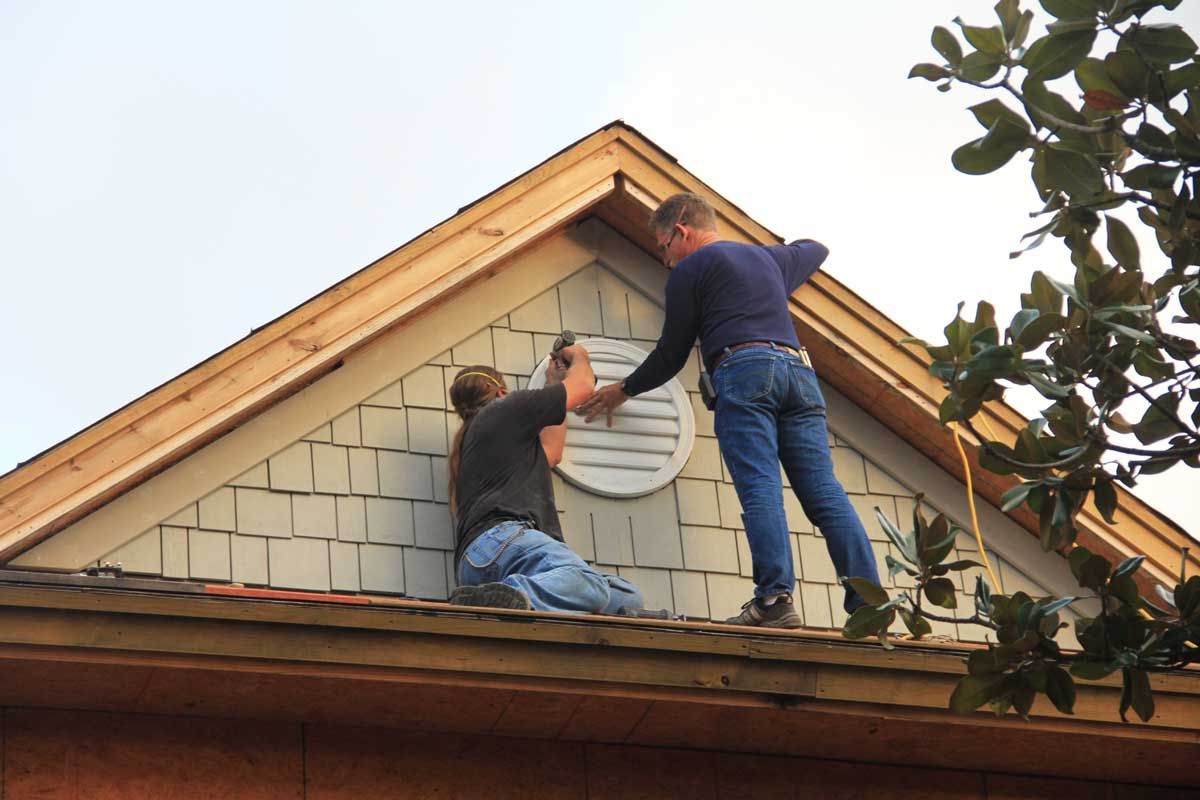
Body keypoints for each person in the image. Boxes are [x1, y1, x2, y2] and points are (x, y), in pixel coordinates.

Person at [575, 192, 880, 628]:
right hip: (799, 373)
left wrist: (622, 390)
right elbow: (815, 249)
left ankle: (774, 601)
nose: (665, 261)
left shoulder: (689, 271)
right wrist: (769, 277)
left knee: (760, 486)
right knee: (824, 492)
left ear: (681, 231)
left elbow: (671, 354)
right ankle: (869, 602)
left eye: (663, 248)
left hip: (744, 371)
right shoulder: (768, 262)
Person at [446, 345, 645, 615]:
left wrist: (554, 381)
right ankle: (513, 594)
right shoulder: (506, 408)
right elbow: (583, 385)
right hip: (505, 539)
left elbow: (551, 453)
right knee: (587, 583)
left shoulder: (476, 439)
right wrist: (579, 356)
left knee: (627, 597)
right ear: (502, 392)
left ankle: (503, 598)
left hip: (477, 562)